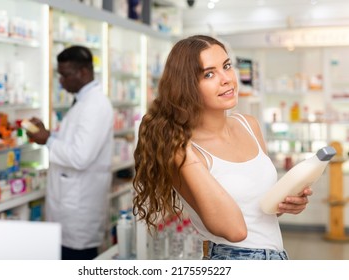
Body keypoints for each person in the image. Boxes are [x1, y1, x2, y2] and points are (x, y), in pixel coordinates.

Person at [132, 35, 312, 260]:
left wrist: (286, 203)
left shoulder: (249, 125)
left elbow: (257, 212)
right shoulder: (184, 151)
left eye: (226, 66)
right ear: (186, 86)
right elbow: (235, 231)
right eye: (209, 74)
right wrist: (179, 145)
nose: (226, 79)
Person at [26, 45, 113, 260]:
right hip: (70, 205)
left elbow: (80, 156)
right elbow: (75, 143)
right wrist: (48, 135)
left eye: (65, 75)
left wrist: (47, 140)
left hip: (79, 211)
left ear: (83, 72)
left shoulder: (96, 105)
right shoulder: (83, 102)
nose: (61, 81)